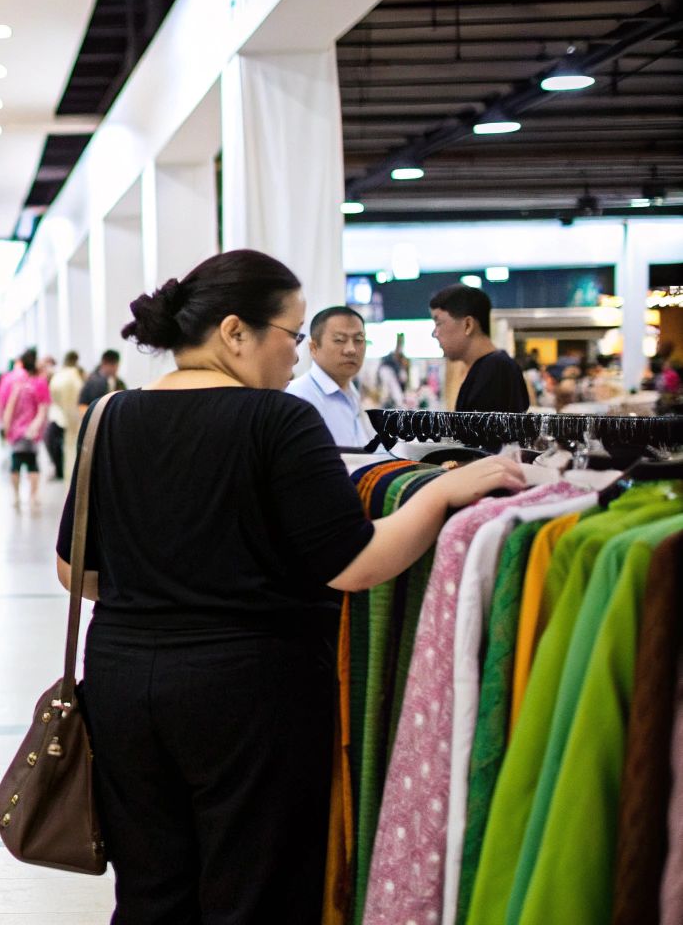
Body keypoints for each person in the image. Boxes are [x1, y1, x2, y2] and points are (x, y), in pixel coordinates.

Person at [53, 250, 523, 922]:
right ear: (235, 332)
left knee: (151, 893)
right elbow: (354, 563)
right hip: (249, 692)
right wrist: (440, 492)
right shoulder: (276, 420)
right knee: (255, 894)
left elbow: (73, 570)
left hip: (122, 682)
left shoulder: (110, 415)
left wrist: (166, 588)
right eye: (292, 334)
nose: (296, 354)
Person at [430, 284, 530, 413]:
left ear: (468, 325)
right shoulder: (485, 369)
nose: (435, 334)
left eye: (438, 323)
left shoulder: (497, 370)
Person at [284, 305, 375, 448]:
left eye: (358, 339)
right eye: (339, 340)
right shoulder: (298, 398)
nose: (351, 349)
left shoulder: (352, 393)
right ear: (313, 348)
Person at [1, 355, 53, 509]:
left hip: (16, 431)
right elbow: (43, 409)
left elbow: (7, 406)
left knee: (16, 462)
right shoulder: (39, 383)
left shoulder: (14, 382)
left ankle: (16, 496)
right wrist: (35, 427)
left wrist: (6, 427)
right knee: (32, 463)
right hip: (31, 431)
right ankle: (33, 496)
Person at [47, 351, 83, 480]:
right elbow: (72, 403)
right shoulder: (73, 377)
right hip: (70, 419)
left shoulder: (58, 376)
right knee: (71, 451)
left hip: (58, 417)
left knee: (66, 452)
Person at [0, 347, 38, 440]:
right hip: (30, 432)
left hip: (14, 432)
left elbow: (0, 403)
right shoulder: (34, 381)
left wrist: (2, 425)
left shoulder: (8, 378)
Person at [377, 334, 409, 409]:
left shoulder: (401, 367)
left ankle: (398, 403)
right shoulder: (390, 361)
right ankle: (398, 403)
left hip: (392, 376)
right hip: (386, 371)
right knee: (390, 390)